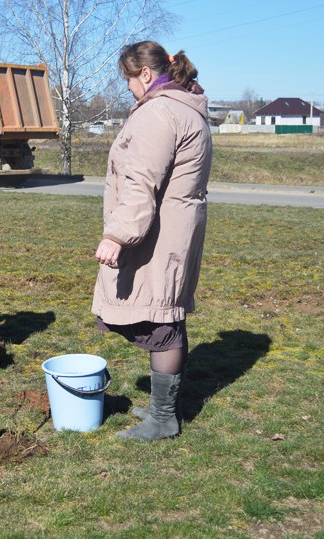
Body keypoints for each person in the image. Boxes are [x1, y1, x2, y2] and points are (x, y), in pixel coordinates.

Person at [92, 41, 212, 441]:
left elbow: (141, 181)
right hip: (175, 229)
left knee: (161, 317)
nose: (127, 87)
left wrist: (117, 235)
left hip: (159, 233)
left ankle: (163, 419)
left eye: (127, 78)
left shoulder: (158, 113)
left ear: (144, 74)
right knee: (166, 309)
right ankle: (166, 408)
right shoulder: (183, 108)